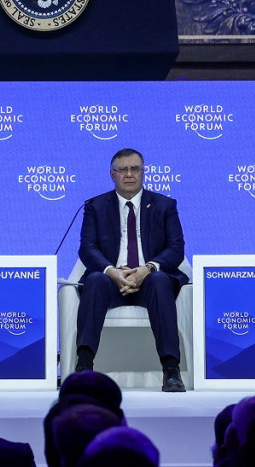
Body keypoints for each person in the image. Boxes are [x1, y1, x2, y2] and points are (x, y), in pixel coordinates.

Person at [74, 148, 187, 392]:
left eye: (135, 169)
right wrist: (112, 272)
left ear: (143, 172)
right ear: (111, 174)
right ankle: (83, 367)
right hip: (111, 281)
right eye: (122, 169)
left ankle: (171, 370)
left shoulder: (164, 205)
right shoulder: (95, 206)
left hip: (150, 281)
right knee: (94, 279)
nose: (129, 174)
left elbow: (176, 248)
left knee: (158, 281)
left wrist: (146, 269)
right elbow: (87, 248)